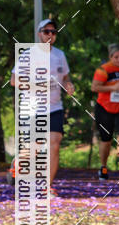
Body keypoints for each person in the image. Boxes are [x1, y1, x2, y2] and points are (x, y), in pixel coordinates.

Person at [10, 18, 74, 197]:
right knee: (34, 148)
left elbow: (66, 78)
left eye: (53, 32)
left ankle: (48, 187)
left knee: (54, 144)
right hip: (32, 109)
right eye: (47, 32)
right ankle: (17, 164)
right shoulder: (28, 55)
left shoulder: (60, 55)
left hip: (55, 107)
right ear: (39, 34)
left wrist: (69, 85)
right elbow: (14, 81)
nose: (50, 35)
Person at [91, 43, 119, 179]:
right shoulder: (104, 70)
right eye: (116, 57)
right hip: (105, 108)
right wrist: (112, 88)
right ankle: (103, 167)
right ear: (111, 57)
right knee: (106, 140)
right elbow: (94, 87)